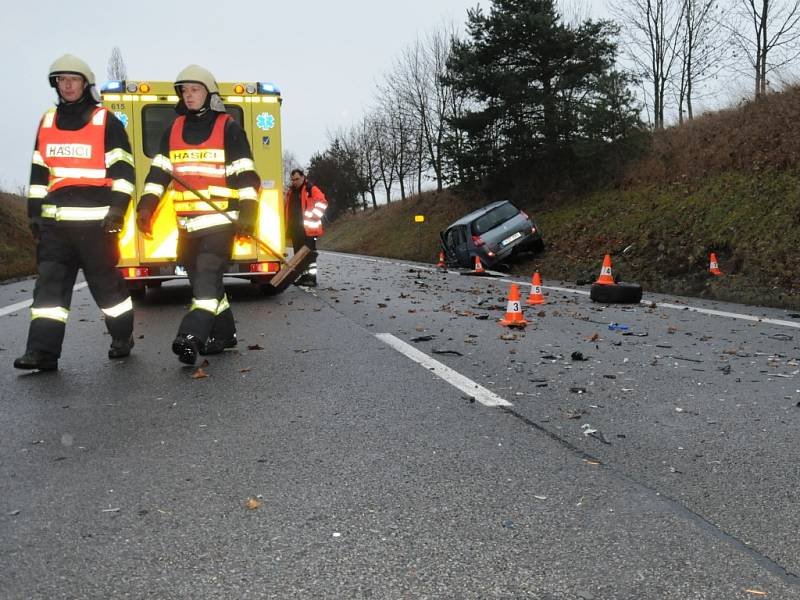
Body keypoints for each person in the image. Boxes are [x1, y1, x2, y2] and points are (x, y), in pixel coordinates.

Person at [14, 54, 136, 372]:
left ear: (85, 84)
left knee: (108, 289)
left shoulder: (104, 120)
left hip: (96, 225)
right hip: (56, 226)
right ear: (56, 84)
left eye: (74, 80)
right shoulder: (47, 121)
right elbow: (39, 174)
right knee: (49, 290)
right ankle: (42, 352)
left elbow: (124, 171)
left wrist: (117, 211)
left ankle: (122, 337)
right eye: (61, 80)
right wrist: (34, 215)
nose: (67, 85)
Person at [136, 65, 260, 365]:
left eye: (195, 89)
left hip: (219, 223)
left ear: (209, 93)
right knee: (206, 284)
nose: (188, 95)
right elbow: (158, 174)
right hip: (187, 227)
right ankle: (225, 334)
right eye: (184, 90)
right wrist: (146, 207)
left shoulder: (227, 127)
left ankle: (190, 336)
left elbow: (246, 175)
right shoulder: (173, 129)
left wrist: (248, 214)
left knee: (205, 278)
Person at [285, 168, 327, 286]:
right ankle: (303, 277)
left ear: (303, 177)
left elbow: (322, 202)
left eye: (297, 179)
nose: (295, 182)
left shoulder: (310, 189)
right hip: (295, 230)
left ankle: (312, 279)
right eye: (293, 180)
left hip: (309, 230)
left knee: (309, 256)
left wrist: (314, 216)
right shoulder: (291, 192)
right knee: (299, 256)